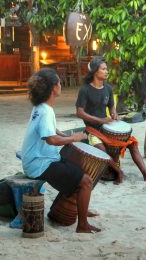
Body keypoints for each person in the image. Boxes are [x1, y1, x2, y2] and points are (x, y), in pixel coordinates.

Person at [21, 68, 100, 233]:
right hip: (39, 164)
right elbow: (51, 140)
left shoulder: (41, 107)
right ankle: (82, 225)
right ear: (53, 88)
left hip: (35, 160)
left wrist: (64, 134)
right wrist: (74, 138)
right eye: (58, 82)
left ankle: (80, 209)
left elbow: (51, 130)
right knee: (86, 181)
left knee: (79, 169)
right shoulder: (45, 111)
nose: (61, 84)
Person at [76, 56, 146, 183]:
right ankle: (119, 172)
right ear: (95, 71)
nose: (107, 71)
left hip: (106, 127)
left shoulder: (108, 88)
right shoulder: (85, 90)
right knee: (102, 151)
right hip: (92, 130)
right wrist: (100, 120)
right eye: (104, 69)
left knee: (132, 144)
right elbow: (79, 112)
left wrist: (114, 114)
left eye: (107, 69)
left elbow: (111, 107)